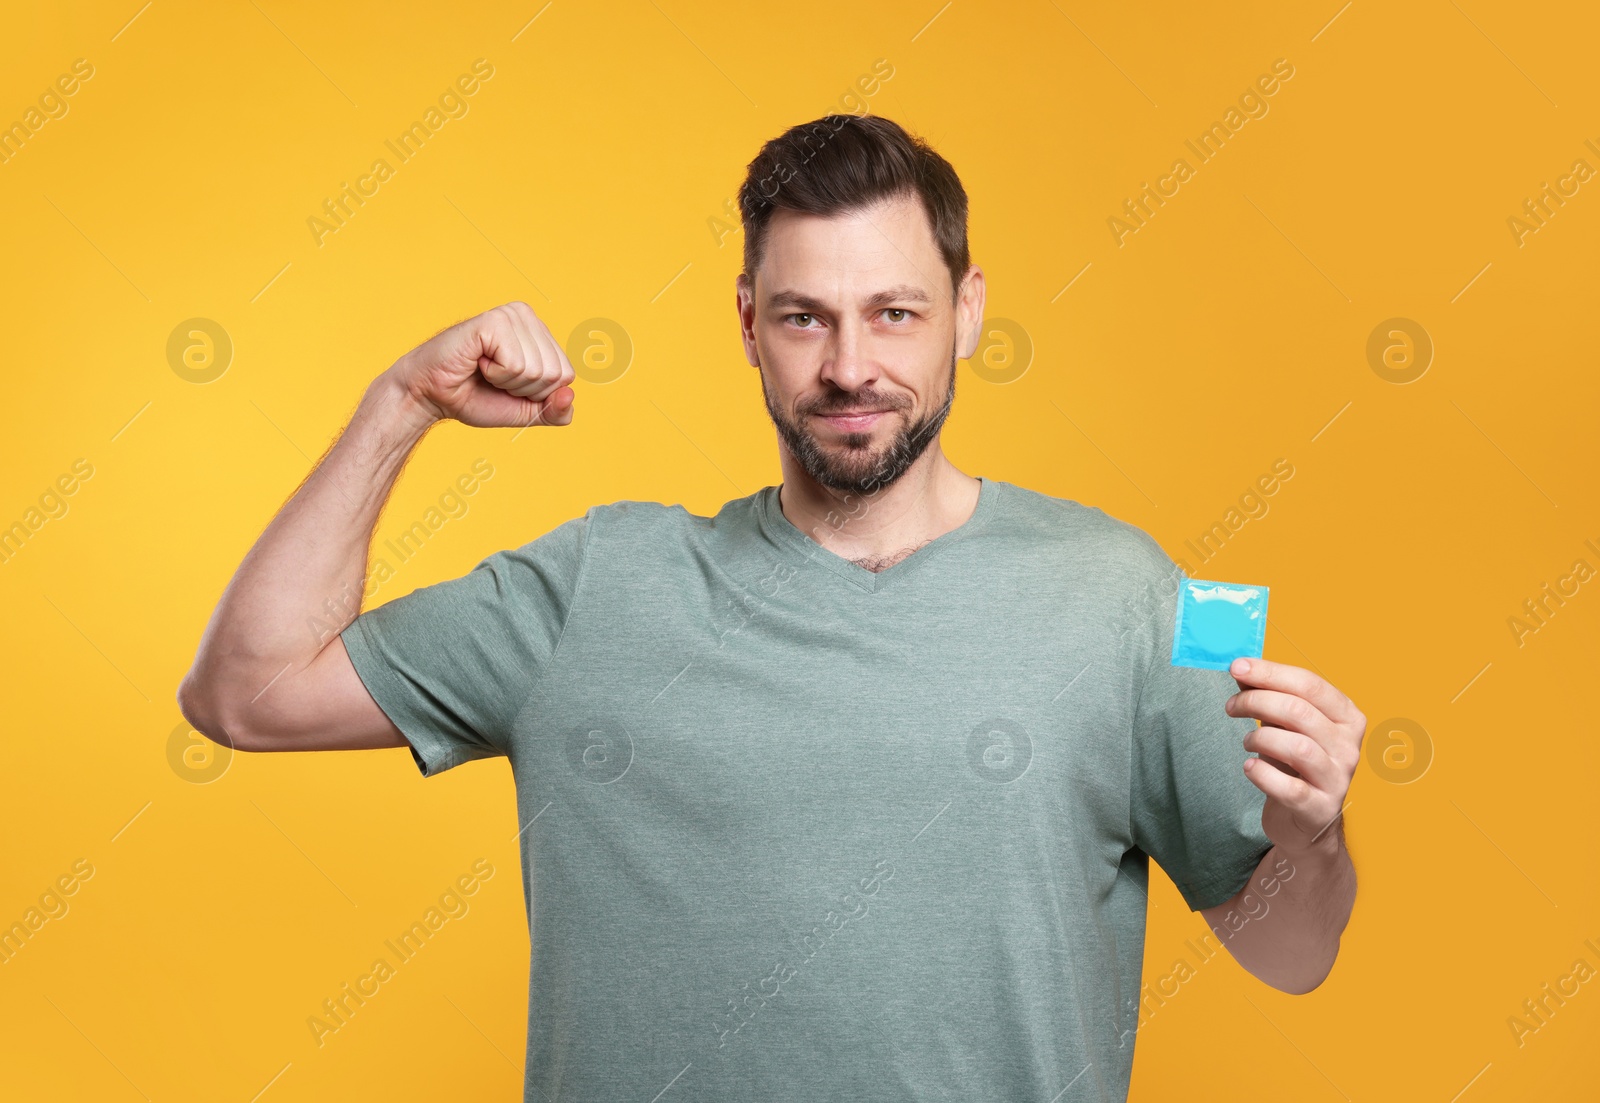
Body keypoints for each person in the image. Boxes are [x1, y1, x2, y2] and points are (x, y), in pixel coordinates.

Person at [178, 113, 1363, 1102]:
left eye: (895, 312)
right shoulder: (596, 584)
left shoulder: (1137, 592)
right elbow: (245, 690)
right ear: (747, 320)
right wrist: (400, 404)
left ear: (969, 310)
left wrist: (1313, 841)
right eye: (805, 317)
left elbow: (1293, 952)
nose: (851, 365)